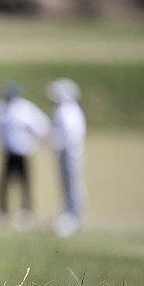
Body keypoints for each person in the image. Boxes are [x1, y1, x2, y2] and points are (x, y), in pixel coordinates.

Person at [0, 81, 50, 229]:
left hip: (23, 152)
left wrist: (37, 143)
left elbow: (41, 126)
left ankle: (26, 212)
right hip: (7, 151)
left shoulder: (25, 109)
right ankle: (2, 212)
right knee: (4, 183)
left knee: (25, 184)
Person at [46, 78, 86, 237]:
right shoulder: (65, 109)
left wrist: (57, 146)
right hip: (65, 152)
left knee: (73, 185)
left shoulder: (68, 110)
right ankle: (68, 214)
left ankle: (73, 216)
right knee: (66, 184)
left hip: (70, 152)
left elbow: (69, 134)